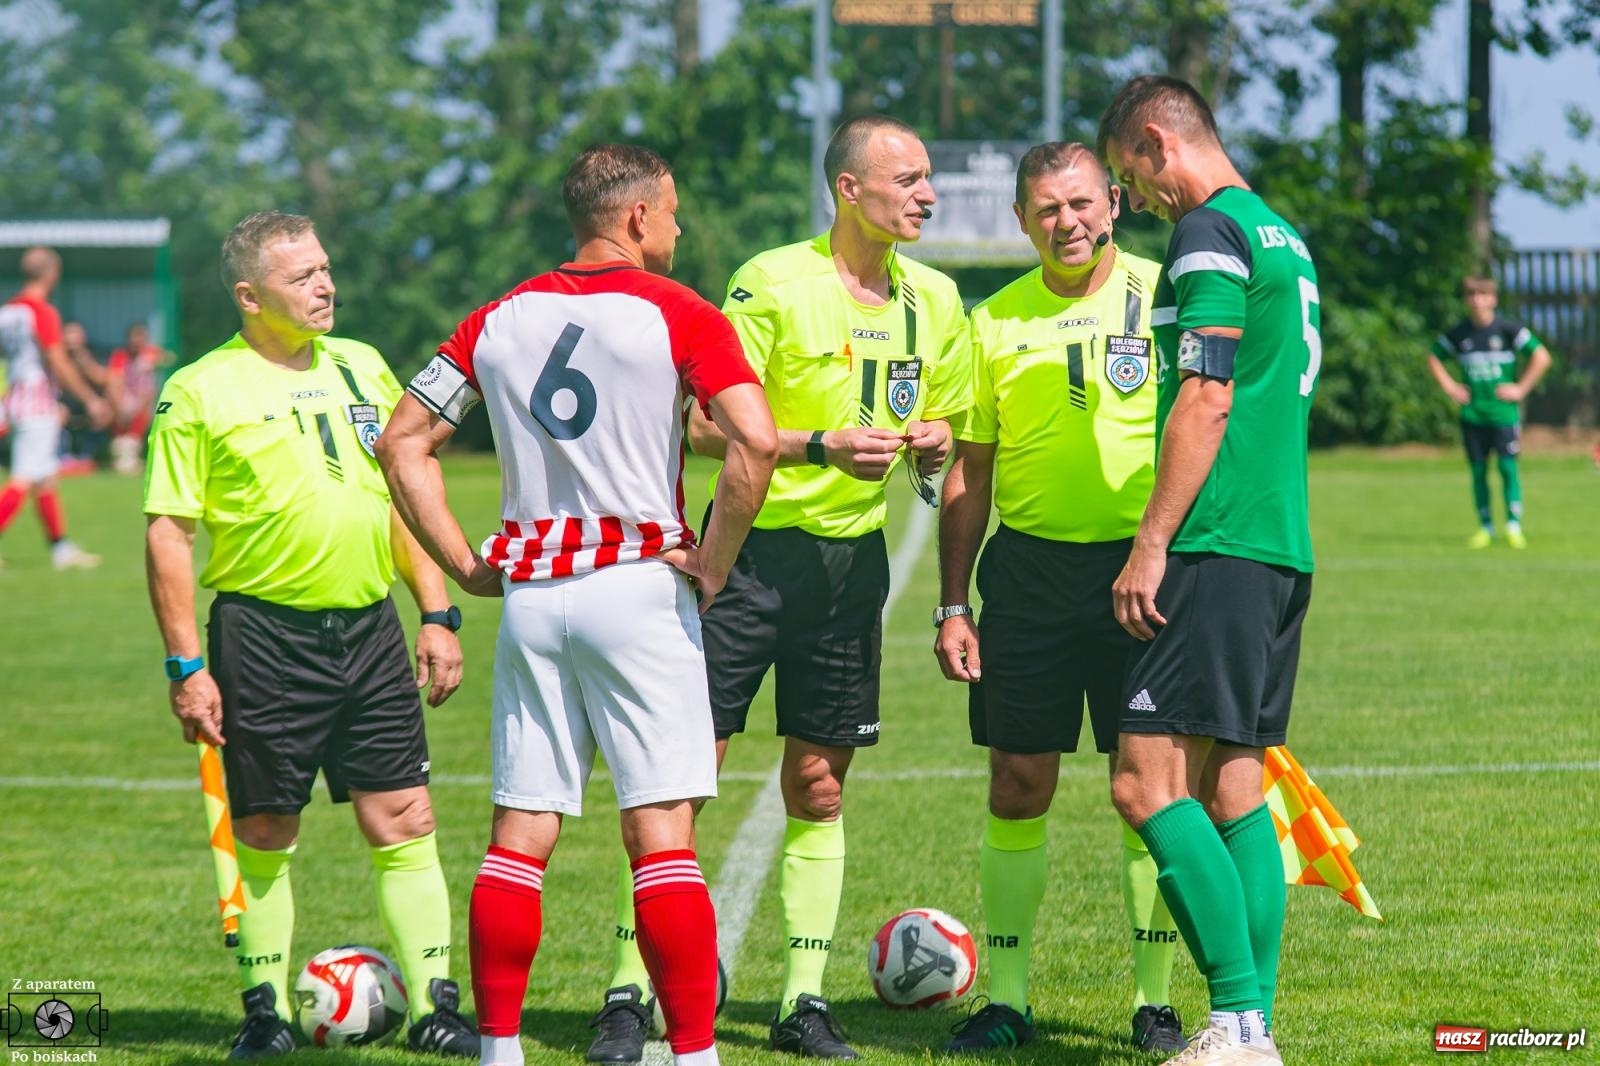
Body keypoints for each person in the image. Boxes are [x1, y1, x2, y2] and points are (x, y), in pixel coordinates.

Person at [376, 143, 778, 1066]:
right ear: (637, 218)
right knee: (661, 837)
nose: (678, 227)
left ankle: (500, 1052)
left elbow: (403, 442)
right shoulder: (682, 312)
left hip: (533, 600)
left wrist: (466, 562)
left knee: (518, 836)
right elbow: (753, 443)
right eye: (671, 211)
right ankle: (695, 1057)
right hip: (639, 589)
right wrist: (712, 564)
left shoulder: (495, 317)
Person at [586, 114, 972, 1064]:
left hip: (850, 572)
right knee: (682, 784)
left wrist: (934, 438)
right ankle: (629, 992)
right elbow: (706, 429)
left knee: (819, 785)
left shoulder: (938, 298)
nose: (927, 194)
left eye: (928, 180)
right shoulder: (771, 280)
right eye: (909, 178)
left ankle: (803, 999)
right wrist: (817, 445)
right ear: (849, 188)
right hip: (746, 561)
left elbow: (951, 427)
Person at [143, 211, 478, 1060]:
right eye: (303, 277)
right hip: (263, 638)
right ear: (251, 296)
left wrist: (435, 612)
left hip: (369, 630)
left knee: (404, 815)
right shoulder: (200, 389)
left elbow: (402, 500)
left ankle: (438, 1004)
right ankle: (265, 1013)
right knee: (264, 827)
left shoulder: (363, 366)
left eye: (326, 269)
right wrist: (188, 666)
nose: (325, 285)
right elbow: (169, 535)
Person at [933, 141, 1184, 1055]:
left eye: (1081, 204)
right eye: (1047, 210)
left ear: (1114, 201)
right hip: (1030, 577)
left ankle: (1154, 1003)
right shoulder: (991, 320)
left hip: (1145, 571)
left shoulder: (1168, 293)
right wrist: (953, 604)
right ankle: (1007, 999)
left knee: (1151, 790)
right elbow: (970, 472)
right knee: (1017, 782)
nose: (1067, 223)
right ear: (1020, 220)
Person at [1099, 74, 1321, 1065]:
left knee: (1144, 784)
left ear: (1158, 142)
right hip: (1277, 545)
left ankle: (1234, 1021)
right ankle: (1250, 1031)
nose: (1133, 200)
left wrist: (1150, 540)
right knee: (1233, 787)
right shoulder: (1282, 232)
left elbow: (1206, 395)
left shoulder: (1207, 233)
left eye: (1127, 176)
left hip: (1214, 539)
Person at [0, 248, 110, 570]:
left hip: (15, 398)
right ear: (52, 274)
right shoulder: (42, 311)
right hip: (37, 402)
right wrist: (91, 399)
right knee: (23, 478)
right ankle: (60, 550)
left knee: (45, 476)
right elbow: (57, 359)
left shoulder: (7, 312)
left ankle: (61, 549)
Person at [1425, 276, 1551, 548]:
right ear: (1466, 300)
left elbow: (1542, 356)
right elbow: (1433, 356)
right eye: (1472, 295)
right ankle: (1485, 527)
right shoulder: (1460, 334)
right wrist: (1450, 387)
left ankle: (1513, 525)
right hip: (1473, 415)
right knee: (1479, 471)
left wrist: (1521, 388)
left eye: (1483, 295)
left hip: (1503, 415)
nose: (1477, 300)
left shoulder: (1508, 330)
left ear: (1493, 299)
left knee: (1507, 469)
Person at [108, 321, 169, 474]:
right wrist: (120, 403)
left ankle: (131, 446)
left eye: (140, 337)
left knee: (147, 397)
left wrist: (154, 362)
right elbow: (114, 380)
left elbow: (169, 357)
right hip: (126, 396)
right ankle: (122, 446)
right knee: (119, 403)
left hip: (145, 398)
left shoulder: (149, 354)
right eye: (133, 337)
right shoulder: (121, 355)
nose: (136, 341)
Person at [59, 321, 110, 471]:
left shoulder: (91, 354)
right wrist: (89, 400)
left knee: (102, 411)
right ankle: (62, 456)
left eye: (75, 333)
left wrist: (84, 360)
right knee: (59, 413)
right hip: (65, 402)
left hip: (89, 403)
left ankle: (86, 456)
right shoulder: (58, 358)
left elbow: (101, 378)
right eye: (68, 333)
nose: (71, 338)